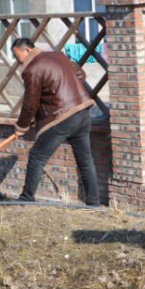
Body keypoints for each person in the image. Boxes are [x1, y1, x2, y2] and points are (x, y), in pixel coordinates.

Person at [11, 37, 101, 206]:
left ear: (27, 50)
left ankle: (26, 199)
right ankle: (94, 203)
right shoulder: (57, 56)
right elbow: (80, 74)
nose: (17, 61)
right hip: (82, 112)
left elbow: (30, 103)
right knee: (86, 161)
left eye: (17, 56)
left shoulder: (32, 69)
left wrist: (21, 126)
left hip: (62, 117)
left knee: (37, 156)